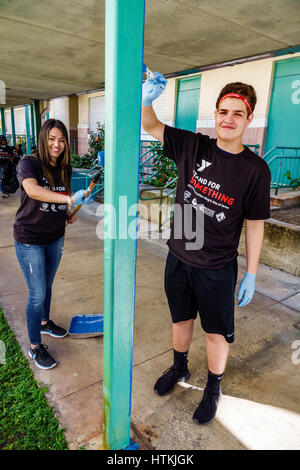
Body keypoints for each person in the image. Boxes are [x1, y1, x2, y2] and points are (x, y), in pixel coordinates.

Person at [141, 73, 271, 425]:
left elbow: (255, 223)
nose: (228, 119)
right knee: (180, 321)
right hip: (179, 257)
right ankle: (178, 368)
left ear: (249, 119)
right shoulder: (191, 146)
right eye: (223, 111)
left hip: (216, 267)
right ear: (215, 115)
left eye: (237, 113)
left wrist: (252, 273)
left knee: (215, 333)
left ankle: (214, 387)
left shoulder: (256, 170)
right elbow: (149, 124)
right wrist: (145, 99)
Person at [13, 119, 93, 370]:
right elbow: (33, 190)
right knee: (36, 293)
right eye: (51, 139)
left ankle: (45, 323)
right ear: (43, 139)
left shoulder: (64, 168)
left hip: (55, 236)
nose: (57, 145)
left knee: (47, 285)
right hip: (29, 239)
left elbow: (62, 199)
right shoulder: (29, 162)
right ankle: (35, 346)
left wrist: (70, 210)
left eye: (61, 140)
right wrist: (67, 198)